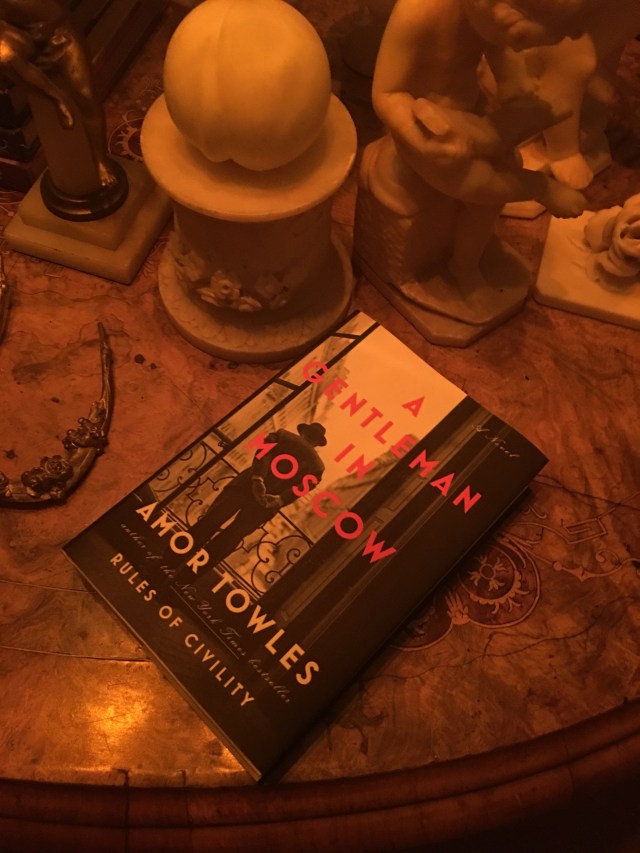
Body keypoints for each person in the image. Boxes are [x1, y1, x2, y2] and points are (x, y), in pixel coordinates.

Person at [365, 0, 594, 297]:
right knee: (475, 182)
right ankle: (537, 187)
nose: (517, 47)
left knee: (506, 165)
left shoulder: (480, 16)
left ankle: (464, 264)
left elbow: (496, 46)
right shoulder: (417, 14)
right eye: (519, 38)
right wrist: (419, 139)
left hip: (470, 114)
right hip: (423, 125)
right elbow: (386, 94)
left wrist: (514, 85)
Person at [0, 0, 118, 188]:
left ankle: (100, 161)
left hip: (62, 35)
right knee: (5, 55)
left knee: (86, 97)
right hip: (25, 42)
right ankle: (55, 97)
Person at [187, 422, 327, 571]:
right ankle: (190, 575)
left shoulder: (282, 435)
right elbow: (302, 488)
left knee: (209, 521)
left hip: (244, 486)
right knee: (230, 538)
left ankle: (173, 559)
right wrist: (280, 499)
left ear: (303, 432)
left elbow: (263, 452)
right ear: (317, 443)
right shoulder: (318, 467)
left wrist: (258, 479)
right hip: (265, 506)